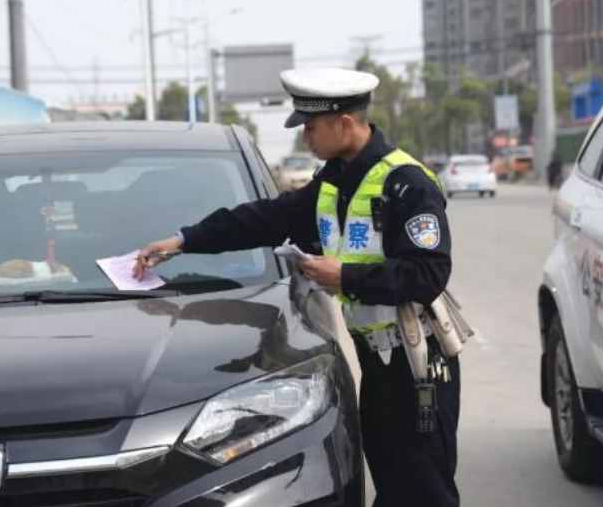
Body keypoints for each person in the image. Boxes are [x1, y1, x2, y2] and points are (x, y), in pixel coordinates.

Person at [133, 67, 460, 507]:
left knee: (423, 487)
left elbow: (428, 274)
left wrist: (343, 277)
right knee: (389, 474)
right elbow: (266, 219)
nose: (305, 137)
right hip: (377, 359)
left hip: (417, 364)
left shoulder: (407, 184)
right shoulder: (336, 180)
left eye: (310, 127)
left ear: (344, 123)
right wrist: (184, 241)